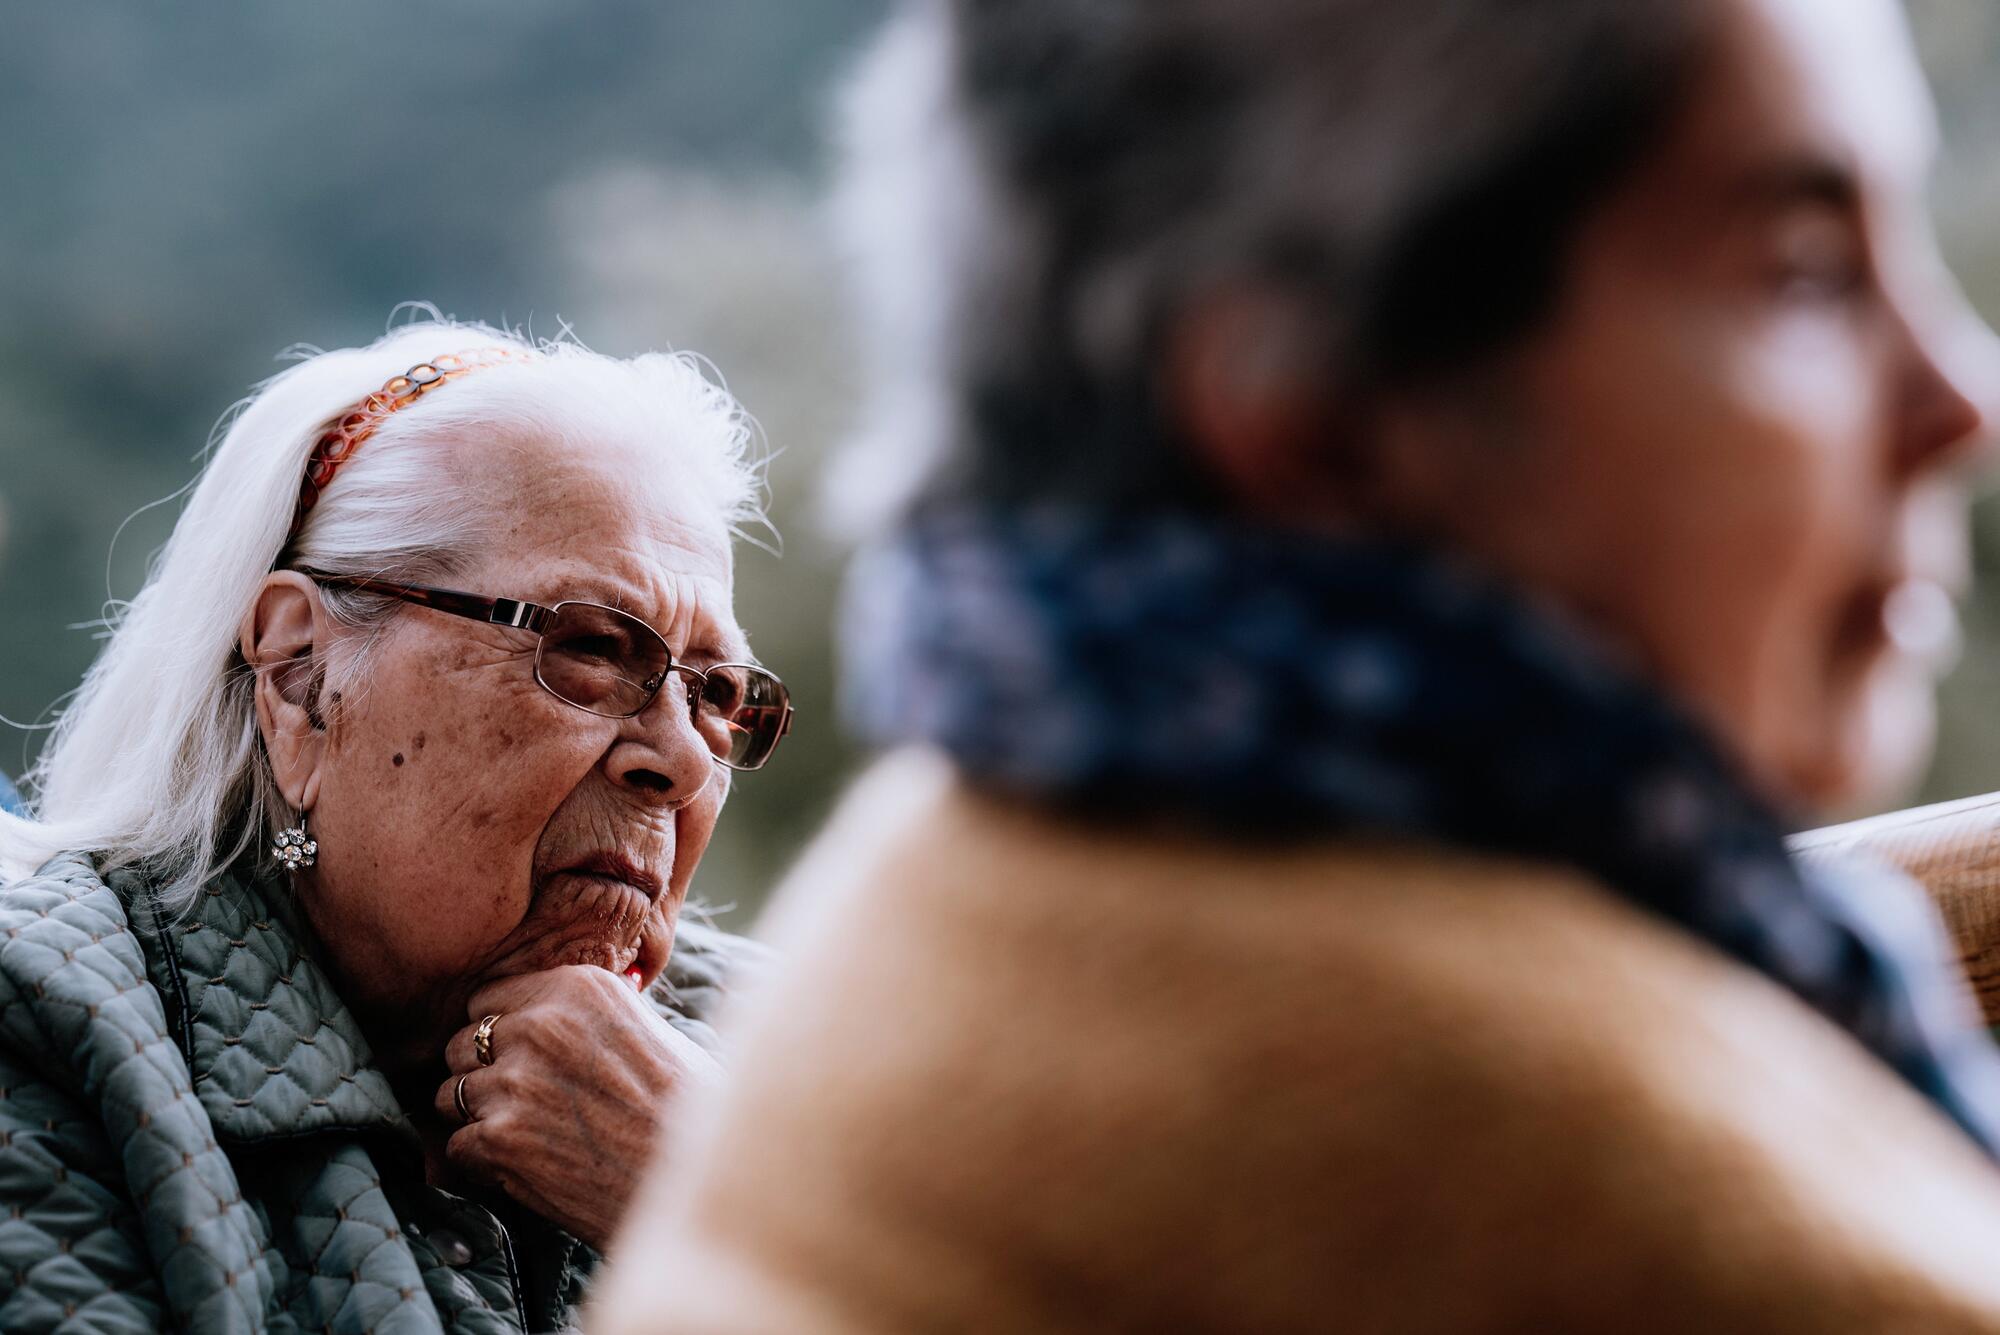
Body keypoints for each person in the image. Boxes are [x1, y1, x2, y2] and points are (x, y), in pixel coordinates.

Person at [593, 0, 2000, 1329]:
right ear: (1316, 414)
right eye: (1802, 274)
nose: (1962, 397)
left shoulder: (982, 856)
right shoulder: (1559, 1182)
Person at [0, 319, 791, 1332]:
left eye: (717, 694)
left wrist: (709, 1189)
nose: (679, 761)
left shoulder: (782, 1058)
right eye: (589, 646)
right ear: (299, 677)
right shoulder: (48, 1034)